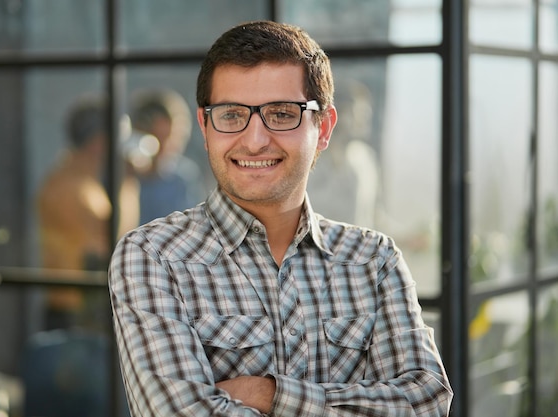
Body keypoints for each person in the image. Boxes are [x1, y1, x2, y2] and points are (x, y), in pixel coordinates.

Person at [109, 21, 453, 416]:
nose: (254, 140)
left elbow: (426, 402)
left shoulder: (374, 259)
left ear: (322, 128)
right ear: (205, 128)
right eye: (232, 114)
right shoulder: (153, 258)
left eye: (282, 113)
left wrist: (271, 395)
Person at [38, 94, 139, 329]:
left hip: (79, 307)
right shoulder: (70, 187)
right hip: (75, 312)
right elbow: (115, 237)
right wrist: (127, 182)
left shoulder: (81, 181)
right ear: (97, 143)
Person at [125, 88, 207, 224]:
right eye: (157, 138)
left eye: (170, 139)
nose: (163, 148)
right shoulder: (118, 173)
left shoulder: (183, 179)